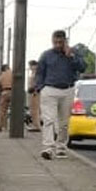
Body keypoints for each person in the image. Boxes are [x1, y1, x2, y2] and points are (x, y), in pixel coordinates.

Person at [34, 30, 87, 159]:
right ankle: (48, 147)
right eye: (55, 42)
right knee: (49, 120)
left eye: (60, 42)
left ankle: (61, 147)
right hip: (50, 90)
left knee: (64, 122)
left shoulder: (74, 53)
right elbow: (39, 73)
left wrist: (71, 56)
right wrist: (40, 88)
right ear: (52, 41)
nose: (57, 45)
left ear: (65, 41)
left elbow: (82, 67)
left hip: (67, 89)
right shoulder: (46, 55)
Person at [0, 63, 14, 132]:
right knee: (15, 110)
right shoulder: (12, 73)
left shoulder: (1, 76)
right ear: (7, 67)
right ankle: (13, 126)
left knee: (2, 110)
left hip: (4, 92)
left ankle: (0, 126)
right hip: (13, 92)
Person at [27, 60, 42, 132]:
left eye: (30, 65)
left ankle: (36, 125)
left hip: (35, 92)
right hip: (32, 92)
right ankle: (34, 124)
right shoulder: (33, 73)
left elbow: (37, 83)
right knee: (32, 109)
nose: (30, 67)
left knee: (35, 109)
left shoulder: (37, 73)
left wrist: (34, 89)